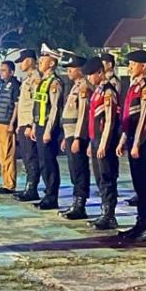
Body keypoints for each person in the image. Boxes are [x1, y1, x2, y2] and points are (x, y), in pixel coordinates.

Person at [117, 49, 146, 242]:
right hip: (133, 139)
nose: (130, 67)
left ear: (144, 66)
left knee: (144, 184)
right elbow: (128, 116)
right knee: (137, 184)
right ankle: (139, 223)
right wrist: (124, 139)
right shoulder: (133, 86)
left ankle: (145, 225)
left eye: (133, 64)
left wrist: (138, 142)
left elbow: (145, 118)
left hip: (143, 142)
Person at [88, 54, 121, 231]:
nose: (89, 77)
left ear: (100, 72)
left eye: (92, 74)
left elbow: (109, 120)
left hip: (104, 140)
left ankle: (109, 215)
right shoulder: (98, 91)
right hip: (95, 139)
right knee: (100, 178)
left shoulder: (108, 91)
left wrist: (103, 143)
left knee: (107, 177)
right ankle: (104, 211)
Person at [31, 47, 66, 211]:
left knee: (49, 162)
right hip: (38, 125)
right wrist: (33, 125)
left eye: (44, 60)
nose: (40, 62)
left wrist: (47, 130)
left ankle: (52, 196)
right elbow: (37, 106)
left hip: (47, 127)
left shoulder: (54, 83)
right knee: (42, 162)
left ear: (51, 63)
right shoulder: (43, 81)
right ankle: (47, 193)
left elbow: (55, 109)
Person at [60, 55, 92, 220]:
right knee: (74, 170)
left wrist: (78, 137)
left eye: (71, 68)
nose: (69, 71)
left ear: (81, 69)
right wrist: (67, 136)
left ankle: (80, 205)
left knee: (79, 170)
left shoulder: (84, 87)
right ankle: (75, 202)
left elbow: (83, 114)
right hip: (70, 133)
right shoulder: (74, 87)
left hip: (77, 134)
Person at [14, 49, 42, 202]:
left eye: (22, 61)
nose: (20, 64)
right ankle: (28, 186)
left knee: (31, 157)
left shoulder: (36, 78)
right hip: (23, 123)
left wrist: (31, 124)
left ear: (30, 61)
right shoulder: (27, 79)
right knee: (25, 157)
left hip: (29, 124)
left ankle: (32, 188)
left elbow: (35, 104)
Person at [0, 59, 21, 196]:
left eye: (4, 70)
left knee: (8, 154)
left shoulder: (14, 85)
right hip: (0, 122)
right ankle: (5, 182)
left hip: (7, 123)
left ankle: (10, 184)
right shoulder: (3, 85)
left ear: (11, 72)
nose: (1, 73)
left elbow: (16, 105)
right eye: (0, 70)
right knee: (2, 155)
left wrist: (12, 123)